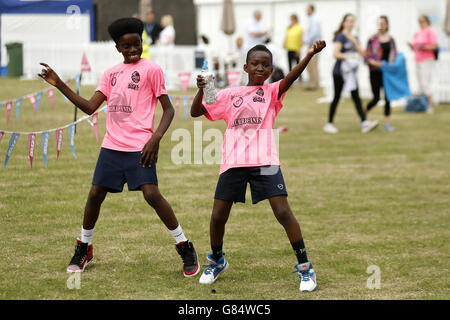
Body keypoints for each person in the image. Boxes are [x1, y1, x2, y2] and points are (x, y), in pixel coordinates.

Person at [37, 18, 199, 277]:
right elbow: (91, 107)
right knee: (94, 195)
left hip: (140, 147)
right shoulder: (110, 74)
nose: (133, 49)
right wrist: (59, 84)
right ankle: (84, 247)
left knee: (151, 195)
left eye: (137, 44)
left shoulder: (152, 70)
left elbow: (168, 109)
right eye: (127, 46)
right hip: (112, 147)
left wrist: (155, 137)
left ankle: (184, 245)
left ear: (142, 43)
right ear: (118, 48)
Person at [191, 37, 327, 292]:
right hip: (234, 162)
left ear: (271, 70)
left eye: (266, 65)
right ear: (245, 68)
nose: (261, 69)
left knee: (283, 212)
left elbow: (292, 78)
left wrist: (309, 54)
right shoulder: (230, 94)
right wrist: (200, 88)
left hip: (265, 161)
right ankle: (217, 260)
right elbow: (196, 112)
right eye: (255, 64)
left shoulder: (272, 92)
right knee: (218, 215)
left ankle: (306, 268)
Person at [324, 13, 379, 134]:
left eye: (352, 21)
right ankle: (329, 123)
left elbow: (363, 53)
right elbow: (336, 54)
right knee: (337, 97)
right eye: (348, 21)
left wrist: (355, 42)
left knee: (356, 97)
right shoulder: (340, 37)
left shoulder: (355, 38)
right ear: (344, 23)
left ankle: (364, 122)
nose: (351, 23)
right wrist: (348, 56)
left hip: (351, 74)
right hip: (340, 72)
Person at [364, 16, 397, 132]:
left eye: (383, 23)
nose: (381, 26)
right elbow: (367, 56)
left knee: (388, 97)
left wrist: (390, 64)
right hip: (375, 72)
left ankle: (387, 123)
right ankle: (363, 115)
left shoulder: (391, 39)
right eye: (379, 24)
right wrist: (375, 63)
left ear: (387, 25)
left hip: (387, 72)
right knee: (376, 98)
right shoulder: (372, 39)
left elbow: (394, 55)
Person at [409, 15, 438, 114]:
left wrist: (423, 48)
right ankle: (422, 104)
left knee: (426, 82)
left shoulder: (431, 31)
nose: (421, 23)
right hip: (418, 59)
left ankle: (430, 105)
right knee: (420, 83)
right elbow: (415, 47)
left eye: (422, 21)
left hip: (427, 59)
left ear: (427, 22)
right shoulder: (418, 33)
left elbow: (434, 46)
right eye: (419, 21)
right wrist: (413, 47)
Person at [305, 4, 322, 90]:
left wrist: (306, 40)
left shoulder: (314, 20)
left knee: (312, 65)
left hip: (314, 45)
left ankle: (314, 85)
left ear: (312, 10)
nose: (306, 11)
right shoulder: (312, 19)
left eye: (307, 9)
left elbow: (314, 33)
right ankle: (314, 83)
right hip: (312, 44)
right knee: (310, 65)